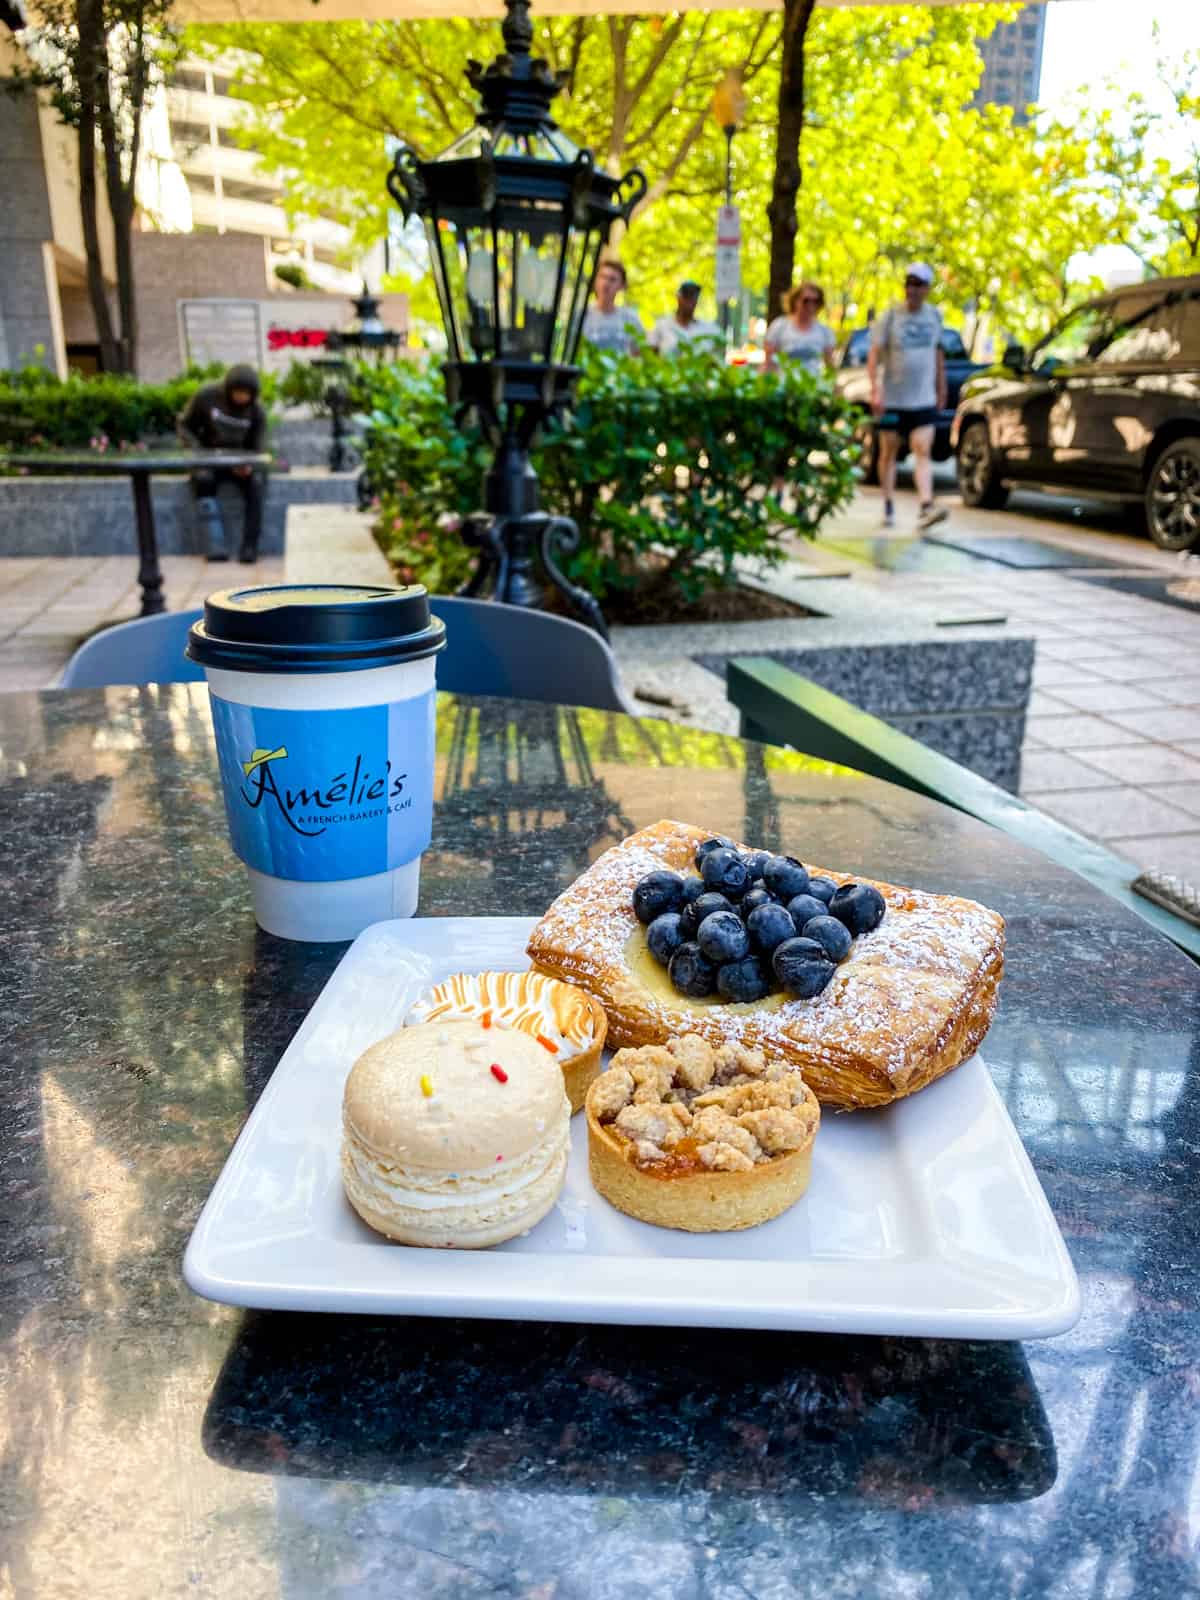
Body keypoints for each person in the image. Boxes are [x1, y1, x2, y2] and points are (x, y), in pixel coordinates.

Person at [867, 263, 948, 531]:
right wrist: (875, 389)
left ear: (926, 289)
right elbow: (874, 354)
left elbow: (938, 354)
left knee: (922, 448)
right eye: (909, 283)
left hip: (923, 397)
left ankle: (926, 505)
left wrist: (941, 387)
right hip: (893, 397)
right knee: (889, 451)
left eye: (918, 284)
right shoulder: (890, 317)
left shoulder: (934, 317)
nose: (912, 289)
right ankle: (888, 503)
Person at [178, 363, 267, 563]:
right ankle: (214, 546)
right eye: (238, 392)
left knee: (256, 484)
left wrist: (248, 464)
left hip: (239, 463)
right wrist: (198, 451)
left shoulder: (257, 411)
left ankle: (249, 548)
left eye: (246, 393)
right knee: (203, 481)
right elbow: (184, 426)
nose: (241, 397)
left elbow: (259, 446)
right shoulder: (206, 397)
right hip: (209, 460)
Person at [764, 282, 837, 375]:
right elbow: (769, 363)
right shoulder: (779, 326)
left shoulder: (825, 332)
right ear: (795, 301)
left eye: (816, 301)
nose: (811, 304)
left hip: (813, 386)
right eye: (806, 300)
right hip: (784, 386)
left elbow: (830, 364)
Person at [581, 260, 644, 356]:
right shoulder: (581, 315)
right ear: (595, 280)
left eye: (612, 279)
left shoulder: (631, 319)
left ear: (622, 285)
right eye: (602, 277)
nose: (606, 283)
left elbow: (639, 354)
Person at [648, 281, 721, 356]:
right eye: (686, 297)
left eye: (693, 297)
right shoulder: (662, 325)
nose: (689, 301)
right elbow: (651, 354)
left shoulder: (710, 329)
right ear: (678, 298)